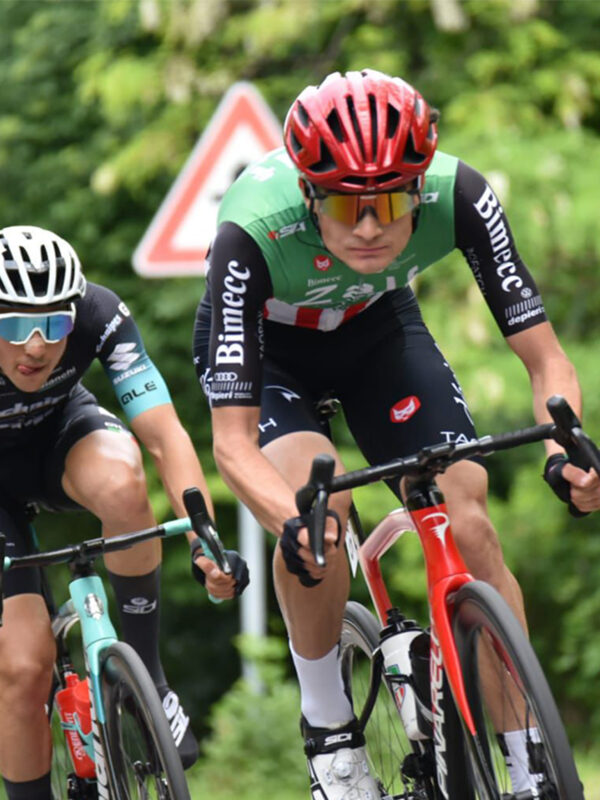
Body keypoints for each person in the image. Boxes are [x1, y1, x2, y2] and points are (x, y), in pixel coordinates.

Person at [193, 69, 600, 799]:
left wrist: (562, 451)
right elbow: (231, 444)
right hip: (270, 353)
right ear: (308, 194)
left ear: (419, 189)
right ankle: (330, 731)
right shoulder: (249, 233)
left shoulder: (460, 194)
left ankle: (526, 755)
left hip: (377, 331)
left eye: (388, 203)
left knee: (468, 516)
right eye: (344, 205)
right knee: (321, 514)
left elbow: (548, 361)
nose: (370, 227)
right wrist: (290, 521)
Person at [0, 225, 249, 800]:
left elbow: (165, 435)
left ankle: (148, 680)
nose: (36, 347)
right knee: (23, 668)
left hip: (58, 442)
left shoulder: (101, 313)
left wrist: (204, 543)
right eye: (14, 327)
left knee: (122, 477)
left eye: (54, 326)